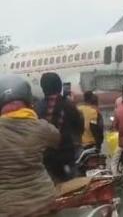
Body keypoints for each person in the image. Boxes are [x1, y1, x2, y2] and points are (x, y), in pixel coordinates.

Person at [0, 75, 60, 217]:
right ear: (28, 100)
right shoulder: (41, 127)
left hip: (9, 209)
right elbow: (57, 139)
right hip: (44, 202)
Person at [34, 72, 84, 182]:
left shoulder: (37, 108)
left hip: (45, 159)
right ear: (59, 86)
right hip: (67, 156)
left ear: (43, 88)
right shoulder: (69, 105)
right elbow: (79, 127)